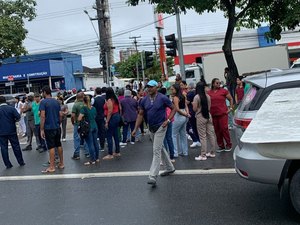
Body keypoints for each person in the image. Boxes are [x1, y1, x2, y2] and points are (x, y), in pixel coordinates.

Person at [132, 80, 176, 186]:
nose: (149, 88)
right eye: (148, 87)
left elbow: (174, 109)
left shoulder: (163, 98)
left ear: (156, 87)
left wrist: (168, 120)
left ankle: (152, 175)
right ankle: (170, 168)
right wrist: (135, 129)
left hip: (161, 125)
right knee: (160, 148)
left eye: (151, 87)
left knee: (156, 150)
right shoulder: (144, 100)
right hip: (151, 128)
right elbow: (140, 115)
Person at [40, 86, 64, 173]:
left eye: (42, 92)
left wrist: (41, 129)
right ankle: (61, 163)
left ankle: (52, 166)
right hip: (57, 126)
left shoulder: (43, 102)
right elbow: (60, 114)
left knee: (51, 147)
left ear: (45, 92)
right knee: (59, 144)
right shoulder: (56, 102)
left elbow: (42, 116)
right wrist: (58, 123)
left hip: (48, 127)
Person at [208, 78, 234, 152]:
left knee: (224, 129)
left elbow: (231, 99)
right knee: (217, 130)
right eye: (217, 83)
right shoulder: (209, 93)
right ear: (213, 84)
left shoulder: (224, 91)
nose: (218, 84)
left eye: (219, 83)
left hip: (223, 113)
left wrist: (231, 108)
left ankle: (229, 144)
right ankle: (221, 146)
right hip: (213, 114)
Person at [192, 82, 217, 160]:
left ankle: (203, 155)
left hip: (200, 116)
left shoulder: (196, 97)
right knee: (211, 134)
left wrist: (193, 104)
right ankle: (212, 152)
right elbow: (209, 107)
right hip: (208, 116)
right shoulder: (208, 96)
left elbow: (194, 109)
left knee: (203, 136)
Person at [0, 96, 25, 169]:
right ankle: (20, 161)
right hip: (12, 130)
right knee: (16, 146)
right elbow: (18, 117)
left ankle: (7, 164)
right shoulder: (11, 109)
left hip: (1, 132)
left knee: (4, 148)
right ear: (5, 101)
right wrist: (13, 120)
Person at [78, 95, 100, 165]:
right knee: (95, 142)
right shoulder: (93, 108)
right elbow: (95, 116)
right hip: (95, 126)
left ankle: (92, 159)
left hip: (88, 127)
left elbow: (79, 118)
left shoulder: (84, 108)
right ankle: (97, 158)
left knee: (90, 144)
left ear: (83, 101)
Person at [170, 83, 190, 157]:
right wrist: (187, 113)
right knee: (183, 134)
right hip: (184, 114)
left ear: (176, 89)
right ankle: (184, 151)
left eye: (172, 89)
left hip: (178, 115)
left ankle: (175, 152)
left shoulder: (175, 97)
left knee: (173, 134)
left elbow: (177, 109)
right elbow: (186, 106)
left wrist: (185, 114)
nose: (171, 90)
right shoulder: (183, 96)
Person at [103, 87, 121, 160]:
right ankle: (117, 151)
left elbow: (110, 111)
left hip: (112, 117)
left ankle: (110, 153)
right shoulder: (115, 99)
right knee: (115, 135)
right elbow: (120, 108)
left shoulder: (109, 100)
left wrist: (107, 121)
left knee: (109, 135)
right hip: (116, 116)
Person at [71, 92, 90, 160]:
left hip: (77, 123)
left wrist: (73, 122)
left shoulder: (75, 105)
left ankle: (77, 154)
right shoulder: (86, 104)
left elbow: (73, 115)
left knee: (76, 138)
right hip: (85, 123)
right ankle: (87, 153)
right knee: (85, 137)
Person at [186, 82, 201, 148]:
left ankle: (196, 140)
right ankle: (198, 140)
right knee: (196, 127)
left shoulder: (190, 93)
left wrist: (184, 96)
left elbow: (187, 102)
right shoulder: (197, 93)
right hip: (197, 111)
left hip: (191, 111)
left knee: (191, 127)